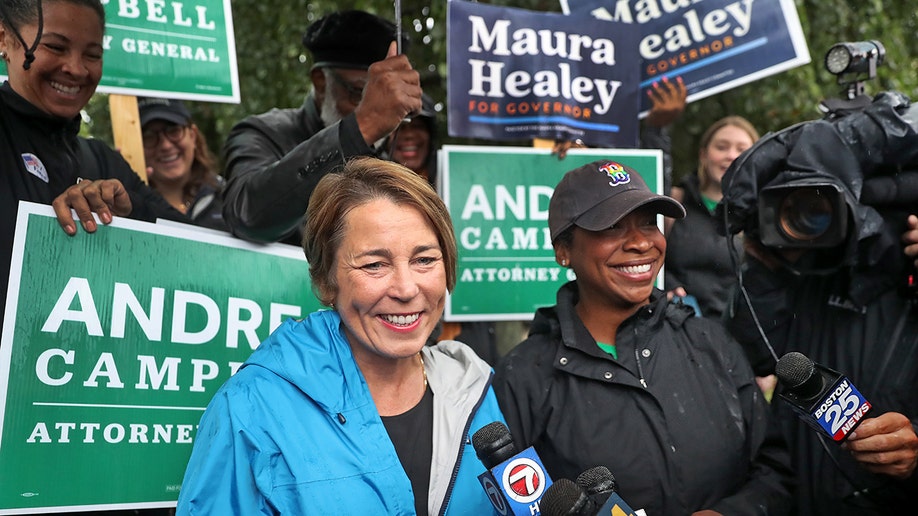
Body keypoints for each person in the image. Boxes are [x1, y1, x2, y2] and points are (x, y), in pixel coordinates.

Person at [177, 157, 505, 515]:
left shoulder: (475, 387)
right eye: (374, 265)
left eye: (424, 259)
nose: (407, 288)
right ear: (325, 280)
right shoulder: (250, 408)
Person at [493, 160, 794, 515]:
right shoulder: (523, 376)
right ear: (564, 249)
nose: (640, 242)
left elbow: (777, 472)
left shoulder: (711, 343)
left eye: (649, 223)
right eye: (612, 226)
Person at [717, 91, 918, 515]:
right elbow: (747, 356)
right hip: (800, 495)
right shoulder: (800, 277)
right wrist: (764, 257)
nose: (813, 215)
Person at [0, 0, 184, 328]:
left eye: (93, 54)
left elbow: (199, 248)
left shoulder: (104, 162)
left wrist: (129, 212)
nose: (77, 69)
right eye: (55, 46)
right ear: (5, 40)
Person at [221, 10, 422, 244]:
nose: (376, 111)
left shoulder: (387, 151)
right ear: (320, 81)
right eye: (360, 93)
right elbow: (247, 215)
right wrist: (358, 129)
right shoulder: (262, 133)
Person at [664, 116, 759, 319]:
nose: (731, 155)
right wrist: (668, 286)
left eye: (741, 149)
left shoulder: (761, 214)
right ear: (703, 155)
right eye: (722, 147)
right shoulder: (674, 202)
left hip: (736, 336)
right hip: (679, 331)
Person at [138, 97, 227, 231]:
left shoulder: (230, 197)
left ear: (193, 136)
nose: (166, 145)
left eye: (173, 131)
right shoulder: (128, 206)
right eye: (149, 136)